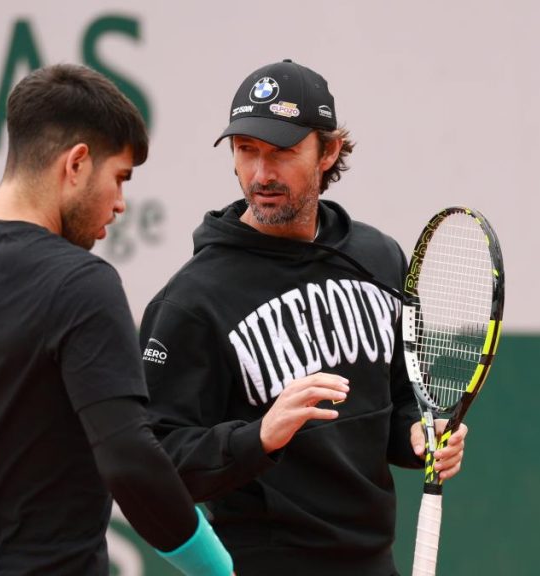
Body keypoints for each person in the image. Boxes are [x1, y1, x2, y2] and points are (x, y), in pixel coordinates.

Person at [0, 64, 232, 576]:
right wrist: (219, 569)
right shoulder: (84, 285)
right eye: (119, 178)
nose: (120, 204)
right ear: (76, 164)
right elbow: (130, 463)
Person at [138, 59, 468, 575]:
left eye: (283, 153)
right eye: (246, 151)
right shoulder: (190, 301)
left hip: (373, 562)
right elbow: (153, 465)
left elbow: (403, 400)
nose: (261, 174)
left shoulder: (380, 258)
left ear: (328, 151)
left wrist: (421, 435)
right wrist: (259, 437)